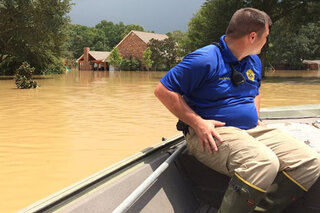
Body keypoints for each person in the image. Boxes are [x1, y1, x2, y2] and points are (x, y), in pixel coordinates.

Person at [154, 8, 320, 213]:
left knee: (310, 162)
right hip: (211, 133)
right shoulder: (204, 58)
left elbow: (255, 91)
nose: (266, 42)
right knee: (263, 162)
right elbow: (163, 90)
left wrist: (255, 116)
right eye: (265, 37)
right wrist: (197, 122)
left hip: (251, 130)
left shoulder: (253, 60)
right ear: (252, 36)